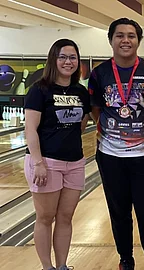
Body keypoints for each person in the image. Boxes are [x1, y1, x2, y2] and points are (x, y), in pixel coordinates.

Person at [88, 18, 144, 270]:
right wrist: (111, 132)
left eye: (131, 36)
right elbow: (95, 109)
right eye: (120, 35)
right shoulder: (99, 74)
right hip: (110, 155)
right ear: (111, 40)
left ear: (139, 41)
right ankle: (126, 258)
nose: (126, 40)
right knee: (119, 211)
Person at [24, 38, 91, 270]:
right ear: (53, 59)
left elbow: (81, 125)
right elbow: (30, 129)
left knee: (65, 218)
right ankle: (47, 267)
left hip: (75, 162)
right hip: (46, 162)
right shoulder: (39, 89)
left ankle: (62, 265)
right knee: (45, 217)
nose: (68, 62)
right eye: (62, 57)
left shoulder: (81, 92)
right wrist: (38, 162)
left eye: (72, 57)